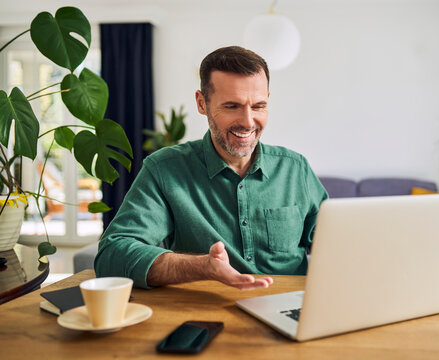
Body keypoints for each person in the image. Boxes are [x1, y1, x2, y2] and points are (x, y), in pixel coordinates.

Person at [95, 46, 328, 290]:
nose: (248, 122)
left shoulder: (295, 169)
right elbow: (112, 254)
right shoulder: (164, 170)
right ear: (201, 103)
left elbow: (338, 244)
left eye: (258, 106)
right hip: (205, 315)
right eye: (231, 106)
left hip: (292, 314)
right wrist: (200, 267)